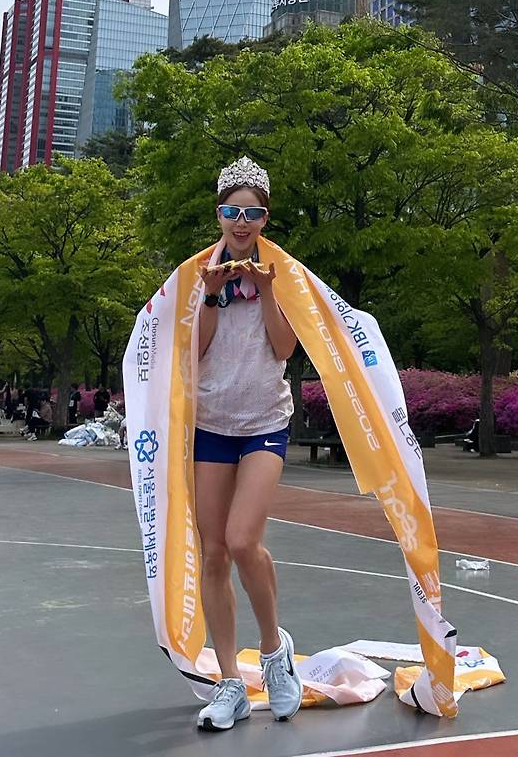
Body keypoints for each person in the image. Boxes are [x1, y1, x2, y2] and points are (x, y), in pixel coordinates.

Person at [193, 157, 303, 732]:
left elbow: (284, 349)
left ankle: (274, 652)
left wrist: (265, 290)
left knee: (242, 540)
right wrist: (212, 296)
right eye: (232, 212)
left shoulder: (279, 273)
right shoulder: (198, 274)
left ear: (265, 217)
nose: (241, 222)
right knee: (213, 552)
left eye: (252, 213)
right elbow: (195, 350)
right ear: (219, 215)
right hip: (210, 422)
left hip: (263, 420)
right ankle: (229, 683)